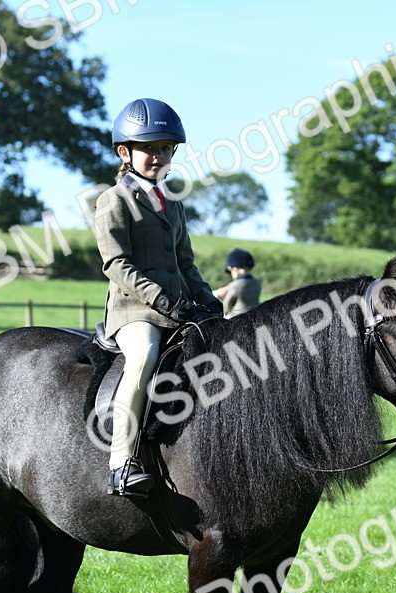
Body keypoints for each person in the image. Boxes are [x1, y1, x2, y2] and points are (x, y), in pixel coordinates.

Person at [95, 97, 222, 496]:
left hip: (179, 308)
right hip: (134, 310)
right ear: (125, 152)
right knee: (146, 356)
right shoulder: (113, 201)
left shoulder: (174, 204)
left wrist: (210, 305)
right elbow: (116, 263)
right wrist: (163, 301)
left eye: (166, 149)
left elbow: (186, 264)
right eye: (150, 148)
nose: (159, 156)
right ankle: (121, 462)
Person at [214, 247, 262, 317]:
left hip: (237, 321)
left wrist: (218, 294)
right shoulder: (257, 283)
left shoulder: (235, 285)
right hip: (254, 318)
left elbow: (226, 308)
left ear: (235, 269)